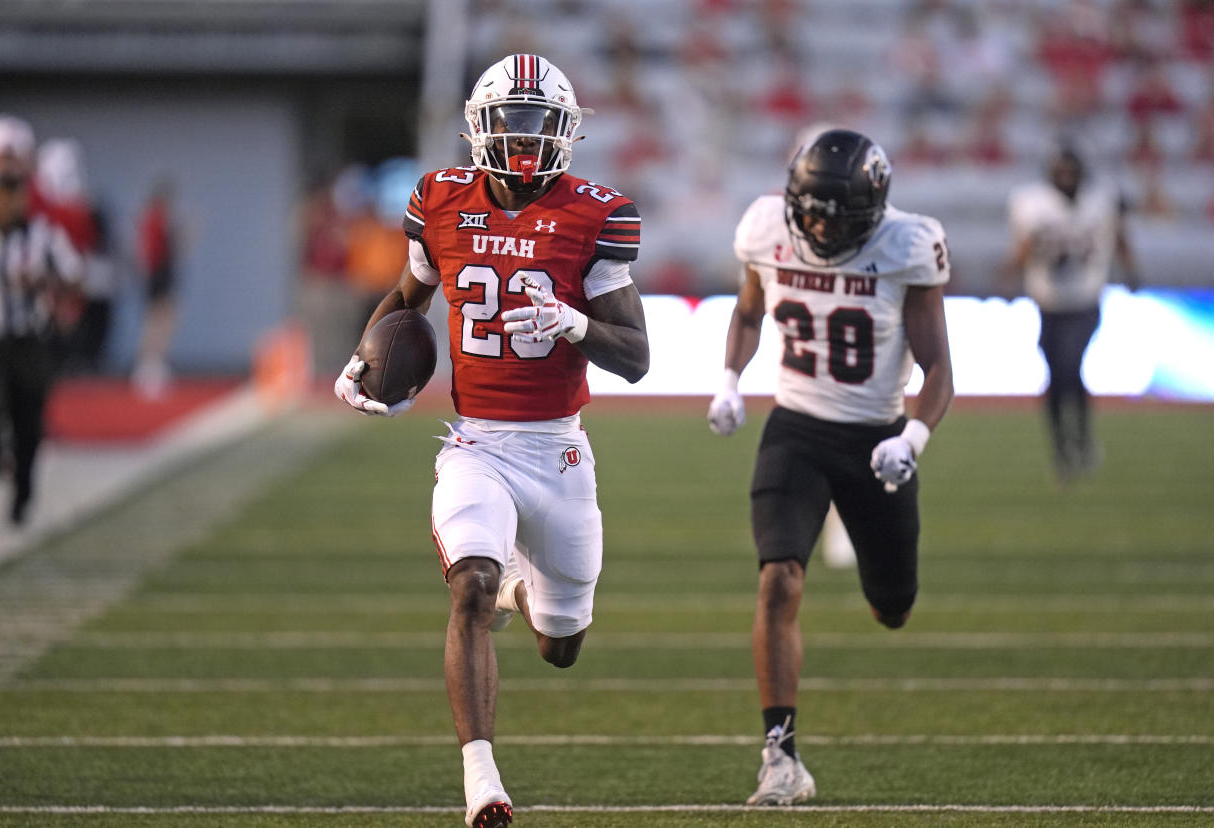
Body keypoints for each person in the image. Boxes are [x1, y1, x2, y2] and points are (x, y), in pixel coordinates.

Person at [334, 54, 648, 828]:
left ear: (566, 133)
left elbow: (637, 359)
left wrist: (574, 323)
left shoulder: (594, 215)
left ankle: (520, 587)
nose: (522, 140)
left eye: (539, 125)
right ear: (481, 126)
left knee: (560, 644)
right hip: (476, 442)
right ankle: (483, 782)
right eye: (510, 120)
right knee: (467, 586)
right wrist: (362, 359)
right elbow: (409, 298)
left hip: (559, 450)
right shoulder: (438, 201)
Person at [707, 129, 954, 805]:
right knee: (778, 582)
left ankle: (873, 549)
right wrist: (730, 377)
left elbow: (939, 371)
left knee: (892, 607)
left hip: (876, 440)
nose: (816, 223)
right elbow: (750, 311)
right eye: (808, 207)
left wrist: (912, 440)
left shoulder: (908, 246)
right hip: (796, 431)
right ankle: (780, 756)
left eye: (833, 212)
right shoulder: (764, 226)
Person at [1002, 141, 1138, 481]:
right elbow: (1024, 247)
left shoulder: (1101, 200)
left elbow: (1119, 238)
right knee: (1059, 373)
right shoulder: (1033, 203)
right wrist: (1007, 276)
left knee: (1069, 364)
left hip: (1086, 300)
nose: (1065, 178)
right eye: (1060, 172)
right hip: (1048, 303)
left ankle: (1079, 440)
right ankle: (1066, 444)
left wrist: (1132, 271)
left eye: (1070, 172)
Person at [0, 114, 83, 525]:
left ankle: (23, 492)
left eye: (14, 192)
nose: (7, 201)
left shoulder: (43, 235)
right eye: (0, 192)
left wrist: (43, 281)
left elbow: (76, 279)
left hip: (27, 339)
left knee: (27, 421)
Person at [133, 177, 179, 397]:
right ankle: (148, 368)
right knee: (158, 323)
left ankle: (152, 365)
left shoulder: (155, 221)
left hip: (159, 277)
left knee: (161, 323)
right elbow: (154, 254)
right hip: (158, 278)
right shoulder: (155, 220)